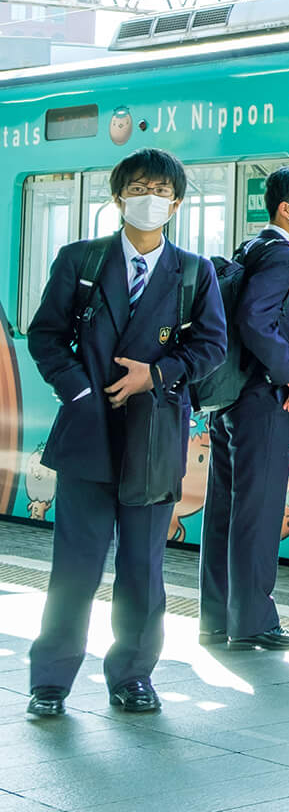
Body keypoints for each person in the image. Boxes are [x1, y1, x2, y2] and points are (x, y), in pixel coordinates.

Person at [23, 149, 226, 718]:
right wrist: (81, 390)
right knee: (75, 568)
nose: (151, 199)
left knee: (142, 568)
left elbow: (211, 346)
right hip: (88, 435)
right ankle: (50, 682)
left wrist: (154, 375)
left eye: (162, 191)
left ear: (177, 202)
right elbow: (45, 335)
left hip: (153, 438)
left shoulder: (193, 272)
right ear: (117, 197)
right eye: (139, 188)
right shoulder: (80, 260)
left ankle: (133, 677)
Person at [198, 164, 289, 651]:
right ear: (287, 209)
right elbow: (255, 319)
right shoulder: (280, 255)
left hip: (231, 399)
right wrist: (287, 372)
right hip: (263, 399)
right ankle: (253, 621)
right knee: (258, 509)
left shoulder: (250, 247)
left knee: (226, 508)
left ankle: (216, 618)